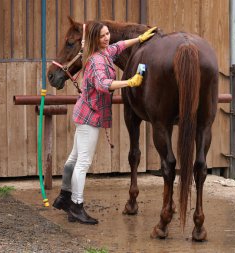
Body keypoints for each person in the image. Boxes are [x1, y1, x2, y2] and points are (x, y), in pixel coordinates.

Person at [52, 22, 157, 224]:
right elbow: (103, 84)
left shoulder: (105, 52)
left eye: (108, 34)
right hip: (90, 118)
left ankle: (64, 197)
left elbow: (120, 46)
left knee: (73, 159)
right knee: (82, 163)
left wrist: (139, 39)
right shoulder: (96, 61)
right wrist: (130, 82)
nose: (107, 38)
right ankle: (76, 206)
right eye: (102, 36)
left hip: (85, 114)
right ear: (94, 39)